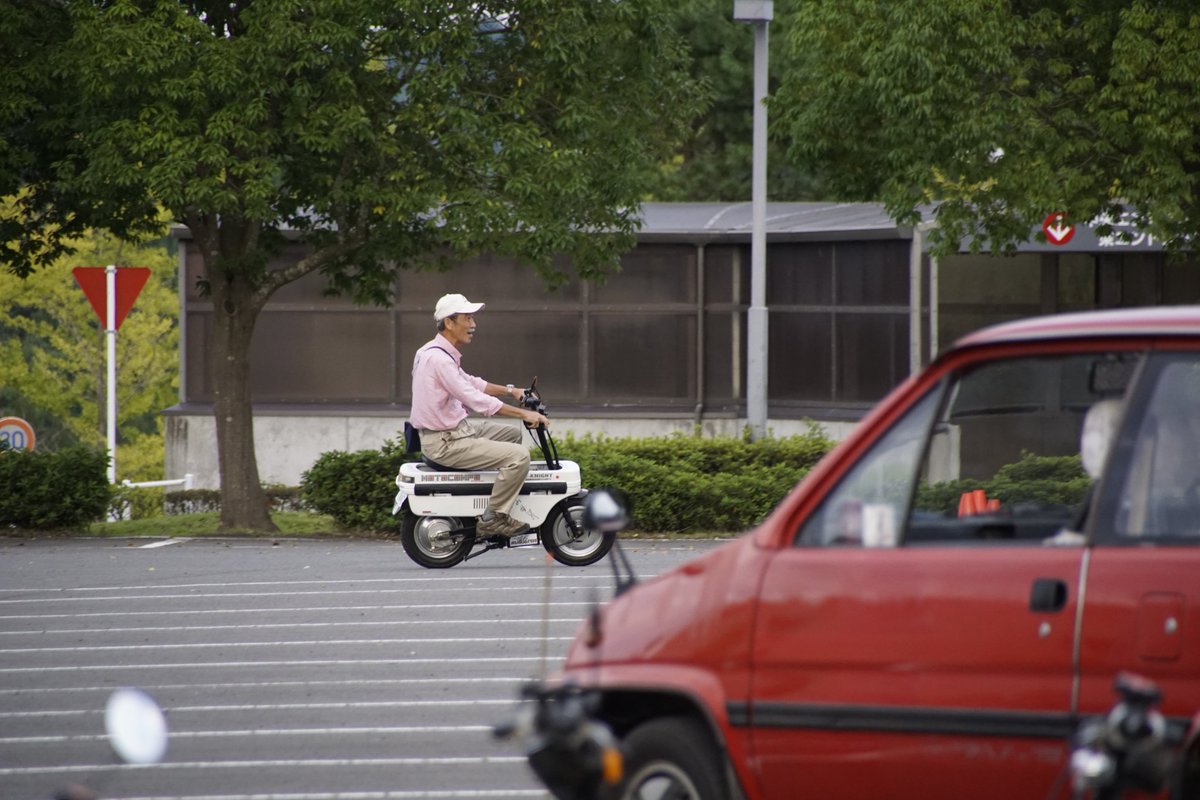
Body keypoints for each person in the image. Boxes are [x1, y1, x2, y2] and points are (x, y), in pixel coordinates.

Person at [409, 293, 549, 537]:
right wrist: (524, 414)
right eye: (468, 318)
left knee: (510, 435)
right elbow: (475, 399)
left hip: (452, 432)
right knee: (519, 457)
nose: (473, 324)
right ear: (449, 323)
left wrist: (512, 391)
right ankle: (493, 518)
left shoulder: (433, 352)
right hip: (446, 442)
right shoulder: (438, 360)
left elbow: (471, 383)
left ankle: (490, 504)